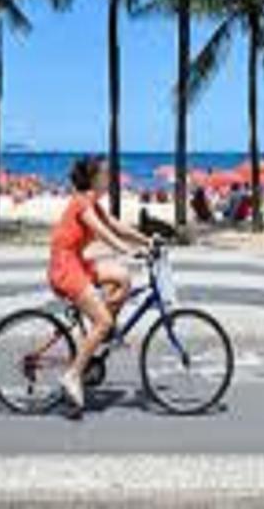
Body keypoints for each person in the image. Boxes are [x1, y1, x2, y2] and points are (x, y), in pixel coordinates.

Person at [49, 156, 151, 412]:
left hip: (77, 262)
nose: (109, 178)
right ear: (94, 178)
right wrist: (126, 250)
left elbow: (115, 226)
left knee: (123, 278)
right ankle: (72, 376)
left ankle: (99, 334)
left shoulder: (94, 203)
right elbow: (104, 233)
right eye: (105, 174)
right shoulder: (82, 203)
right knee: (104, 321)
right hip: (65, 268)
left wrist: (147, 241)